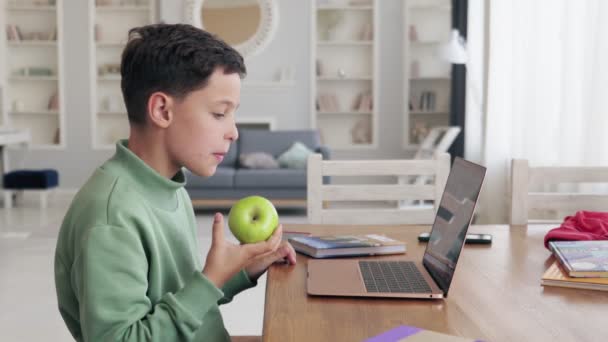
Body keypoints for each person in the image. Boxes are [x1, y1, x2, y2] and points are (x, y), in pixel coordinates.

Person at [54, 23, 296, 341]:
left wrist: (242, 268)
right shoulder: (112, 218)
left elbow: (181, 299)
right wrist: (210, 279)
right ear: (162, 110)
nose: (234, 132)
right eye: (220, 114)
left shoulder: (169, 187)